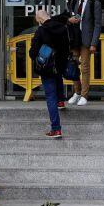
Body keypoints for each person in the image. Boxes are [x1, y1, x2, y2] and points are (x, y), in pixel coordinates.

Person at [29, 9, 70, 138]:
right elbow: (67, 47)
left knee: (50, 97)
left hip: (47, 67)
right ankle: (61, 101)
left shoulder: (41, 31)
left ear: (39, 19)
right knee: (58, 79)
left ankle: (56, 129)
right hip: (60, 65)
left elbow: (33, 52)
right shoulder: (63, 28)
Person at [65, 0, 103, 107]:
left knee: (85, 68)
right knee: (73, 67)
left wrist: (94, 43)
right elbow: (67, 18)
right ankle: (77, 92)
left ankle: (84, 95)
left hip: (87, 41)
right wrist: (70, 20)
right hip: (74, 39)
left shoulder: (94, 4)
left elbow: (97, 25)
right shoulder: (74, 2)